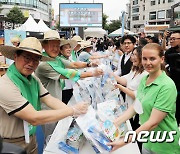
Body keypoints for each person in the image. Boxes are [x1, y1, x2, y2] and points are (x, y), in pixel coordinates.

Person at [0, 37, 88, 154]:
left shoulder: (33, 78)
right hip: (11, 143)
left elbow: (48, 98)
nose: (31, 63)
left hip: (31, 138)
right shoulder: (5, 85)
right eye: (27, 58)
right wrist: (72, 111)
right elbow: (33, 117)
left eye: (36, 59)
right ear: (16, 56)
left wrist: (73, 112)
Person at [108, 43, 180, 154]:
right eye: (144, 59)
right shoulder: (144, 79)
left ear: (162, 59)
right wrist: (114, 123)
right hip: (147, 140)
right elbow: (136, 106)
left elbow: (153, 123)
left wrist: (124, 141)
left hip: (164, 145)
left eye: (152, 59)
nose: (148, 63)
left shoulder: (167, 86)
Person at [165, 30, 180, 125]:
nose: (171, 41)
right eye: (170, 39)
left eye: (174, 39)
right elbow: (165, 65)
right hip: (173, 86)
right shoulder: (169, 52)